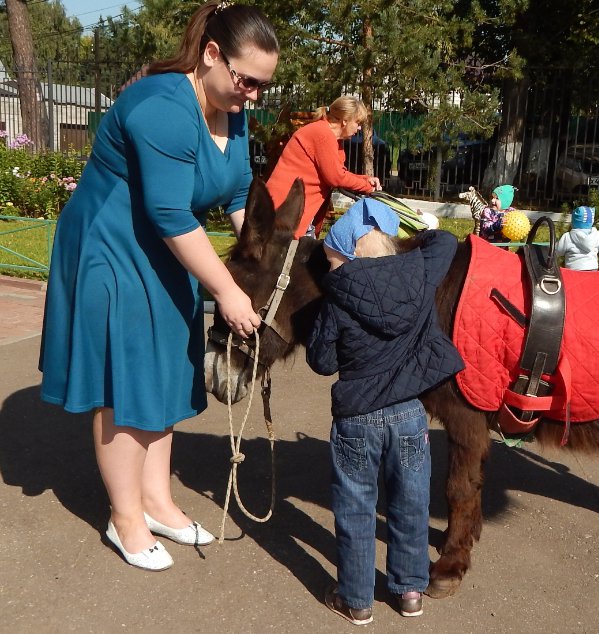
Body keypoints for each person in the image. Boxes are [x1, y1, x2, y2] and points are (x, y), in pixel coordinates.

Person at [38, 2, 279, 571]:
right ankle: (124, 517)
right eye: (247, 80)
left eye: (263, 86)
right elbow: (170, 212)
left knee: (167, 368)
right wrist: (228, 292)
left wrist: (262, 262)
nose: (252, 96)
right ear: (212, 54)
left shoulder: (231, 107)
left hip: (168, 246)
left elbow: (238, 190)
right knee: (125, 381)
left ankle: (157, 501)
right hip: (112, 244)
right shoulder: (163, 106)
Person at [306, 200, 464, 625]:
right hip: (409, 413)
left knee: (355, 507)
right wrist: (413, 224)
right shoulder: (420, 274)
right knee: (411, 502)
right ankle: (410, 591)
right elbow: (444, 240)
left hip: (356, 417)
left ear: (346, 254)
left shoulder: (336, 296)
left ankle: (356, 601)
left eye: (332, 258)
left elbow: (321, 362)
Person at [265, 96, 383, 239]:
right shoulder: (323, 135)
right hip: (284, 211)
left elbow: (338, 172)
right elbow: (336, 177)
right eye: (357, 123)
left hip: (290, 210)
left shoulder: (332, 137)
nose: (359, 128)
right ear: (345, 120)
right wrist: (367, 186)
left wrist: (365, 179)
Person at [555, 205, 599, 271]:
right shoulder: (596, 235)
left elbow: (557, 250)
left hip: (573, 271)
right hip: (592, 270)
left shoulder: (567, 237)